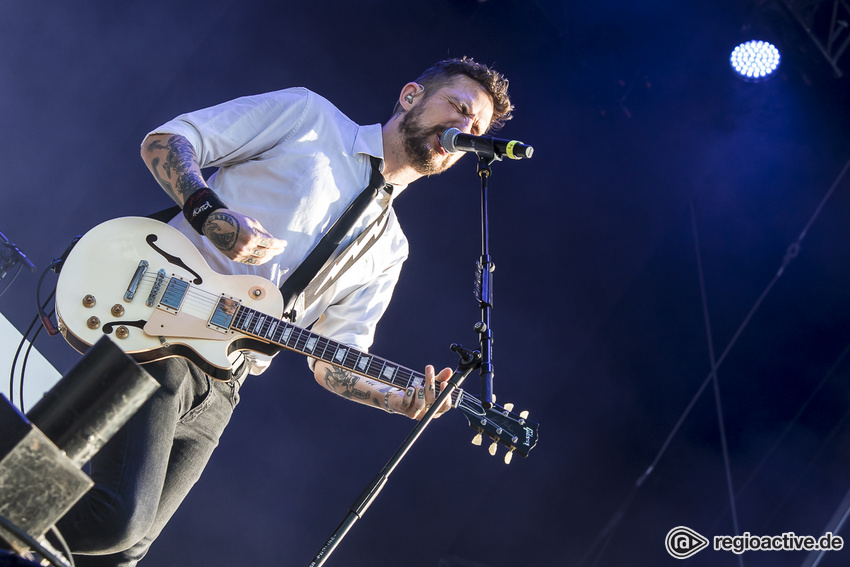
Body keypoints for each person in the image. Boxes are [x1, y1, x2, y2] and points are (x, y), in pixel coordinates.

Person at [55, 56, 513, 566]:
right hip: (161, 322)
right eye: (459, 107)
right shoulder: (308, 117)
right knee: (117, 518)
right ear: (410, 97)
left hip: (227, 384)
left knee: (123, 555)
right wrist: (209, 214)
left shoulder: (391, 248)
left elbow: (335, 361)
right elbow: (168, 141)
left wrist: (397, 400)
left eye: (477, 127)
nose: (465, 129)